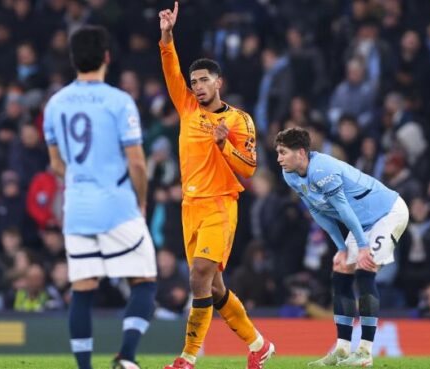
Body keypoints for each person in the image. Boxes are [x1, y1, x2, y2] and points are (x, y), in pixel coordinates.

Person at [158, 3, 274, 369]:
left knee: (198, 277)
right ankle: (259, 345)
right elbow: (170, 68)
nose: (197, 86)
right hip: (190, 209)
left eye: (204, 80)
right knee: (215, 287)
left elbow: (250, 169)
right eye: (194, 82)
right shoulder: (187, 108)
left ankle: (187, 358)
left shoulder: (239, 120)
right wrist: (167, 35)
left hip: (221, 205)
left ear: (218, 82)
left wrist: (225, 145)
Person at [43, 26, 157, 369]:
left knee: (82, 288)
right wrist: (141, 200)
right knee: (145, 281)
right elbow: (137, 162)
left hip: (77, 208)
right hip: (117, 204)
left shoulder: (55, 103)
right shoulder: (119, 101)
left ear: (73, 59)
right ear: (107, 57)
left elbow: (55, 164)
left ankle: (84, 367)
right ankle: (128, 355)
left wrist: (81, 178)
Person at [275, 127, 409, 367]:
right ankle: (342, 349)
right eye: (278, 152)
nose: (279, 158)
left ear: (301, 152)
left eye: (283, 152)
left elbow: (344, 210)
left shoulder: (322, 169)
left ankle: (366, 352)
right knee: (341, 268)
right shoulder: (291, 175)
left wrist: (363, 246)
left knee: (365, 267)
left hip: (387, 212)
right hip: (362, 221)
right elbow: (317, 211)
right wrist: (341, 247)